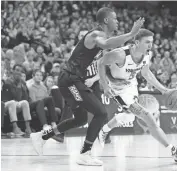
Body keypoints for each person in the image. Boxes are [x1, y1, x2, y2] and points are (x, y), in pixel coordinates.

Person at [30, 7, 144, 166]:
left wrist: (103, 82)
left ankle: (41, 137)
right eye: (115, 18)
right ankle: (85, 153)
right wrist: (131, 34)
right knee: (101, 113)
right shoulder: (96, 35)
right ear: (106, 20)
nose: (117, 21)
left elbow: (102, 63)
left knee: (81, 118)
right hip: (70, 79)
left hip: (74, 79)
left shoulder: (101, 39)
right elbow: (105, 44)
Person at [97, 29, 177, 163]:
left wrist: (163, 89)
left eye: (151, 42)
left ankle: (104, 130)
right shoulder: (120, 54)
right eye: (147, 42)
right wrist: (105, 85)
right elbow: (100, 63)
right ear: (136, 42)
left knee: (129, 115)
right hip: (117, 90)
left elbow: (146, 74)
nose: (150, 45)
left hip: (131, 85)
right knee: (147, 116)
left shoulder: (147, 54)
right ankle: (173, 151)